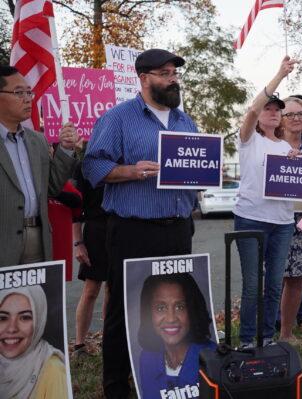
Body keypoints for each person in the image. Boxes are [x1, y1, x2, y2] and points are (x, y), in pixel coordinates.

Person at [83, 49, 199, 397]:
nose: (172, 79)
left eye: (175, 73)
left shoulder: (185, 122)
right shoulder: (118, 118)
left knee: (175, 307)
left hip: (179, 228)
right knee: (125, 308)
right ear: (144, 77)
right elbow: (92, 167)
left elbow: (193, 169)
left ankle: (170, 380)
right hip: (134, 230)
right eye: (165, 73)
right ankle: (116, 385)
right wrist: (130, 172)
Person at [234, 56, 300, 348]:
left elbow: (298, 183)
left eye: (277, 110)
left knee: (274, 284)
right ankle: (248, 339)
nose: (273, 113)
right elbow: (250, 110)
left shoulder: (287, 146)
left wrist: (296, 166)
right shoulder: (248, 139)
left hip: (283, 222)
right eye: (268, 108)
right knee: (252, 285)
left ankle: (267, 336)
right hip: (250, 218)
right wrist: (279, 74)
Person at [0, 65, 78, 267]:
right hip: (4, 240)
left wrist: (66, 149)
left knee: (36, 298)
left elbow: (51, 187)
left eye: (29, 92)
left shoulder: (37, 141)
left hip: (39, 240)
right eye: (19, 92)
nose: (28, 98)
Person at [278, 96, 302, 343]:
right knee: (275, 275)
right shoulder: (271, 143)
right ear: (281, 120)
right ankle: (270, 325)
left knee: (299, 276)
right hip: (278, 216)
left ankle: (287, 333)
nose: (296, 118)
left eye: (300, 113)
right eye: (290, 114)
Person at [137, 274, 216, 398]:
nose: (171, 318)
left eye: (180, 307)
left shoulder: (212, 357)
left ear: (192, 310)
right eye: (160, 308)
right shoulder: (147, 359)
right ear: (148, 313)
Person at [0, 286, 68, 398]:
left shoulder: (54, 371)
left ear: (39, 321)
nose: (12, 328)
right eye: (2, 318)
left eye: (25, 317)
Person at [72, 154, 109, 357]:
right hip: (95, 231)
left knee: (113, 289)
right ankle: (79, 345)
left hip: (121, 229)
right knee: (91, 290)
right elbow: (75, 209)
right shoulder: (84, 165)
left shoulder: (123, 160)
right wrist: (78, 243)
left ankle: (108, 338)